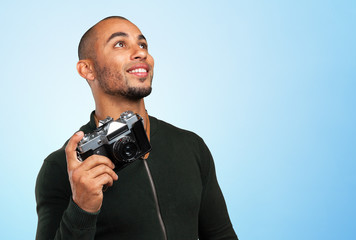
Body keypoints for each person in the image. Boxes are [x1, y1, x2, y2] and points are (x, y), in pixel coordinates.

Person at [35, 16, 238, 240]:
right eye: (120, 44)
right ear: (87, 69)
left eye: (143, 45)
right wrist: (82, 207)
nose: (141, 53)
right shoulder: (62, 167)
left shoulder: (191, 146)